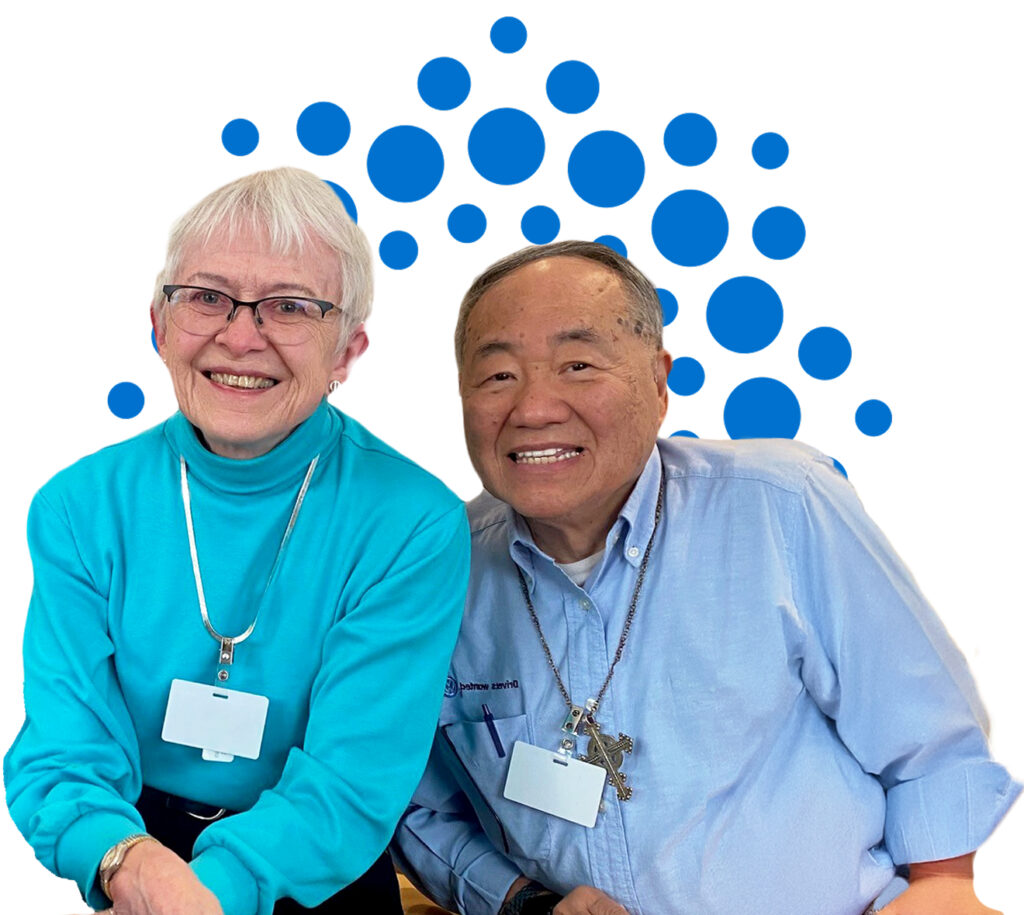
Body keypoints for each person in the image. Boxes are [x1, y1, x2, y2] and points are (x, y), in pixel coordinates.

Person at [391, 241, 1021, 915]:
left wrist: (941, 882)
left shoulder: (783, 505)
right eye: (498, 375)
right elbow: (415, 805)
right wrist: (523, 902)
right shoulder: (437, 570)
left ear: (659, 383)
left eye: (577, 365)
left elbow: (927, 737)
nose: (534, 407)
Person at [4, 167, 469, 915]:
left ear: (346, 351)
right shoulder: (79, 506)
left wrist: (203, 894)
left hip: (322, 866)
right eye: (207, 297)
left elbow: (352, 780)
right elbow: (65, 746)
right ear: (159, 326)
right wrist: (121, 860)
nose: (241, 335)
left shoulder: (412, 523)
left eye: (290, 306)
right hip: (134, 849)